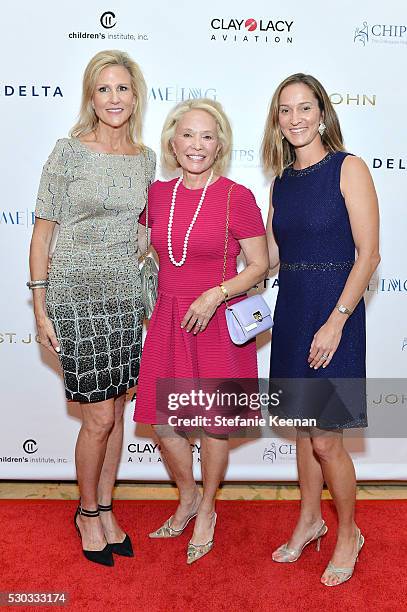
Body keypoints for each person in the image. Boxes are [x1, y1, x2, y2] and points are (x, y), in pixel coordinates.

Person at [29, 50, 156, 566]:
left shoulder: (146, 158)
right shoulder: (68, 153)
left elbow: (141, 227)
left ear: (135, 94)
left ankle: (105, 506)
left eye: (122, 88)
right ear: (90, 96)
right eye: (103, 89)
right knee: (98, 417)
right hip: (76, 296)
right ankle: (84, 512)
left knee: (118, 408)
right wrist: (39, 308)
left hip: (126, 295)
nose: (113, 99)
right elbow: (41, 236)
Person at [133, 98, 269, 564]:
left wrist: (216, 293)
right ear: (172, 141)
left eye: (207, 136)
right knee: (163, 419)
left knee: (214, 425)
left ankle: (208, 507)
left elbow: (260, 264)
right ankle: (188, 495)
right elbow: (132, 243)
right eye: (188, 135)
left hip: (216, 322)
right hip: (169, 319)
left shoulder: (237, 196)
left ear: (220, 145)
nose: (196, 145)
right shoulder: (154, 195)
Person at [262, 73, 380, 586]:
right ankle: (309, 520)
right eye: (285, 110)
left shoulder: (347, 168)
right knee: (303, 432)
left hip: (334, 312)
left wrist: (336, 320)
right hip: (291, 310)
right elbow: (267, 257)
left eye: (304, 108)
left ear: (323, 113)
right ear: (277, 119)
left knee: (327, 438)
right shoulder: (281, 183)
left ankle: (347, 532)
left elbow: (368, 255)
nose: (295, 118)